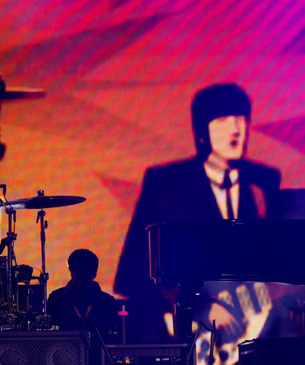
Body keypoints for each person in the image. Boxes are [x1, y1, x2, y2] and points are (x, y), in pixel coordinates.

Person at [113, 83, 281, 343]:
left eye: (241, 119)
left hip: (252, 321)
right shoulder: (166, 182)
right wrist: (200, 308)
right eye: (223, 120)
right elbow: (135, 270)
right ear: (202, 130)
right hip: (184, 323)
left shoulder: (264, 181)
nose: (236, 130)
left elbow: (278, 260)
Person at [47, 249, 118, 342]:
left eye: (85, 276)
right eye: (77, 276)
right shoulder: (56, 299)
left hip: (97, 355)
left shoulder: (107, 302)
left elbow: (113, 336)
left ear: (94, 274)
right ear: (71, 272)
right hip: (64, 354)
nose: (81, 281)